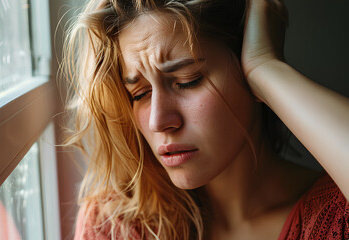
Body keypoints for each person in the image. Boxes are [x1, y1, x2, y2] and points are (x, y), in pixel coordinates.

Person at [62, 0, 349, 239]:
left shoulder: (337, 216)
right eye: (139, 94)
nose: (158, 121)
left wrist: (266, 66)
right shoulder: (116, 225)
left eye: (188, 80)